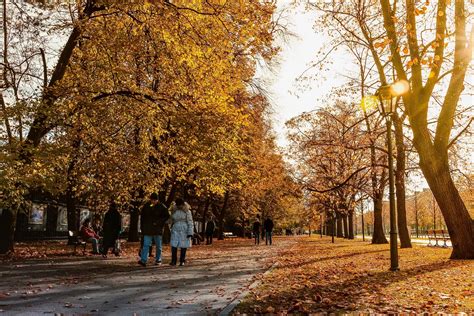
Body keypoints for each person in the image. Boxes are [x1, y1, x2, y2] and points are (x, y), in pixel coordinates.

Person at [138, 193, 170, 267]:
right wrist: (142, 228)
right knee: (146, 245)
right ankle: (143, 260)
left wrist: (159, 222)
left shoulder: (162, 206)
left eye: (155, 200)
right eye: (152, 200)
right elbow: (142, 218)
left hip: (157, 229)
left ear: (157, 200)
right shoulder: (146, 206)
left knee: (158, 246)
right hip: (148, 229)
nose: (153, 202)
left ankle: (158, 259)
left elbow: (167, 216)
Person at [170, 198, 193, 266]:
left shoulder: (187, 211)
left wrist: (190, 232)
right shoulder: (174, 210)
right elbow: (171, 220)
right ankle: (173, 260)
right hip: (175, 228)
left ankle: (182, 260)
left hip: (184, 229)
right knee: (174, 245)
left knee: (183, 245)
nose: (179, 206)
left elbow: (190, 222)